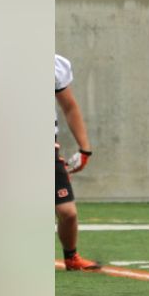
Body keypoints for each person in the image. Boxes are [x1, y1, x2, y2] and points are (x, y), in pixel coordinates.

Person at [55, 54, 98, 271]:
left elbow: (70, 107)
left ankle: (71, 257)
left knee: (67, 212)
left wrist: (84, 148)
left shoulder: (54, 64)